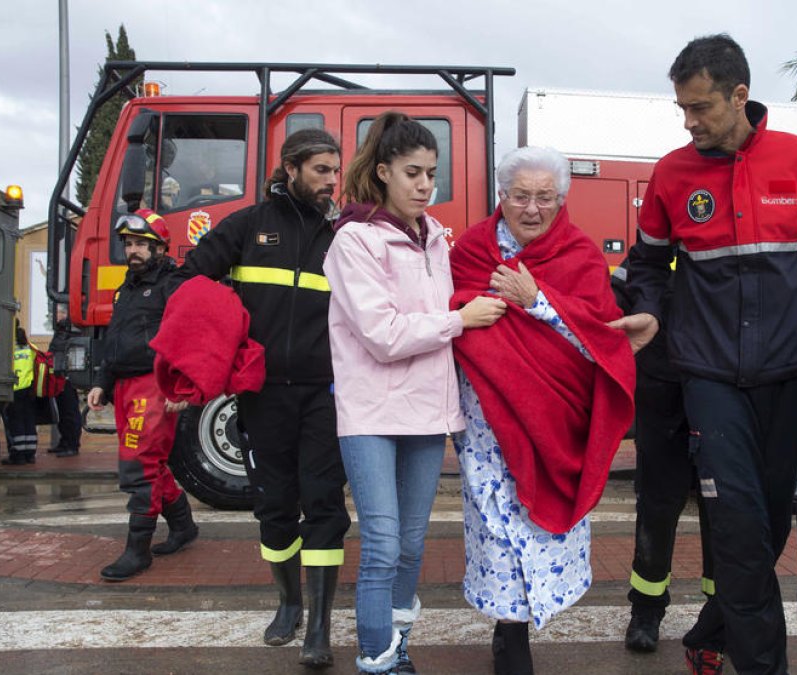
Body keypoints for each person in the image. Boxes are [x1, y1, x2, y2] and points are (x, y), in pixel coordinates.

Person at [611, 35, 797, 675]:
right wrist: (650, 309)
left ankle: (710, 633)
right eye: (682, 108)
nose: (690, 122)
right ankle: (762, 664)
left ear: (740, 96)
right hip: (707, 375)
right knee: (734, 518)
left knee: (767, 519)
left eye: (702, 107)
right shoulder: (673, 174)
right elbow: (648, 263)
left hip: (791, 370)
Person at [323, 112, 507, 675]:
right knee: (381, 542)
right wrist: (460, 320)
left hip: (427, 412)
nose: (426, 185)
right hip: (373, 412)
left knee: (411, 543)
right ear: (381, 173)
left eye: (431, 173)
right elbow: (382, 335)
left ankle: (397, 639)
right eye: (412, 173)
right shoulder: (354, 241)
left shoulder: (432, 240)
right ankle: (377, 659)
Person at [450, 146, 636, 675]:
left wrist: (537, 302)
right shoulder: (470, 249)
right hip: (487, 421)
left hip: (556, 422)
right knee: (496, 527)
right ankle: (510, 636)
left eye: (545, 199)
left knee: (539, 527)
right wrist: (469, 313)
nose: (532, 209)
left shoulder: (579, 253)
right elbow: (451, 311)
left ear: (561, 201)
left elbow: (600, 344)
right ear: (502, 197)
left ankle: (524, 623)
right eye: (521, 197)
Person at [177, 127, 348, 668]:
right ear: (291, 168)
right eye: (321, 170)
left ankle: (318, 626)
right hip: (263, 394)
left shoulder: (342, 234)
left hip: (325, 393)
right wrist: (219, 346)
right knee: (275, 505)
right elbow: (190, 282)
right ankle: (289, 602)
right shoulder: (249, 226)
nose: (330, 182)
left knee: (324, 504)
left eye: (335, 171)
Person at [87, 209, 200, 582]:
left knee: (138, 466)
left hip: (154, 385)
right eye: (129, 244)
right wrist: (102, 381)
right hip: (124, 387)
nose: (132, 251)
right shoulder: (127, 289)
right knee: (149, 464)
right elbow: (114, 340)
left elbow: (189, 338)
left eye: (141, 244)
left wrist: (184, 387)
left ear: (160, 248)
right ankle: (183, 527)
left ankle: (138, 551)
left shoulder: (172, 285)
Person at [611, 259, 715, 654]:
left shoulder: (725, 237)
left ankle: (720, 609)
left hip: (719, 389)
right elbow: (612, 300)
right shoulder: (651, 251)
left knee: (721, 506)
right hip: (661, 392)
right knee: (657, 505)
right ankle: (646, 610)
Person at [47, 303, 82, 457]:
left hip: (66, 375)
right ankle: (64, 442)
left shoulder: (70, 329)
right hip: (58, 373)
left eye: (57, 313)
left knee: (69, 411)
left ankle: (72, 444)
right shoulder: (61, 329)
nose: (54, 316)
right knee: (62, 410)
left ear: (64, 314)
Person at [1, 323, 38, 465]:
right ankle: (30, 454)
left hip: (13, 388)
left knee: (16, 423)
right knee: (29, 421)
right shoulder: (30, 348)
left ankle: (18, 455)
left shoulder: (7, 347)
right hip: (29, 389)